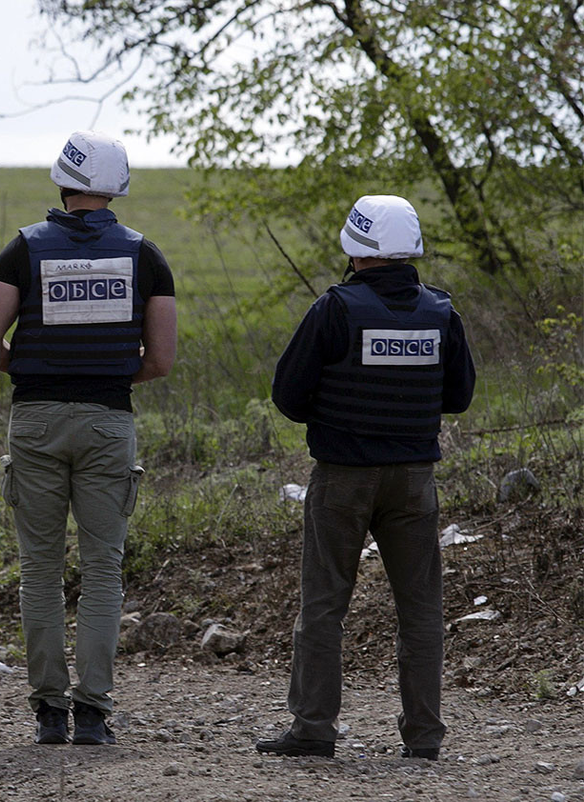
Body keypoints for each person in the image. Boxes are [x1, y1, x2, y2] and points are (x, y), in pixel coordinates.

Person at [0, 131, 176, 745]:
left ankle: (48, 714)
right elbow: (161, 360)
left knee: (40, 571)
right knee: (103, 570)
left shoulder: (23, 249)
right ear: (117, 187)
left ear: (61, 180)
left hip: (34, 421)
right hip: (108, 423)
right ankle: (92, 713)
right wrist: (110, 378)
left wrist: (36, 374)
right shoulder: (146, 256)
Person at [256, 194, 476, 760]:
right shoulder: (441, 311)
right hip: (414, 479)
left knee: (325, 604)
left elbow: (287, 394)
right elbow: (460, 396)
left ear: (356, 248)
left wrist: (336, 416)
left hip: (343, 478)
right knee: (421, 609)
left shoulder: (335, 308)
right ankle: (425, 737)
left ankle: (313, 730)